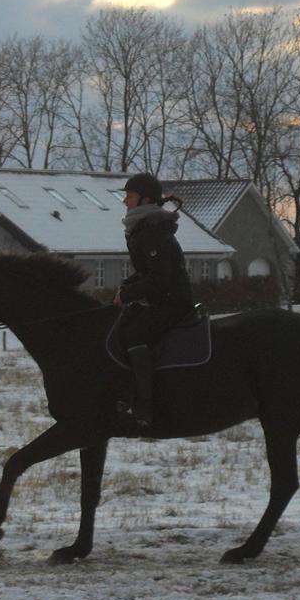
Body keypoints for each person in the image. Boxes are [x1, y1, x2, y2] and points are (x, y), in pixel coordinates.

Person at [113, 172, 196, 432]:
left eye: (130, 196)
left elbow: (160, 280)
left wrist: (127, 295)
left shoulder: (152, 232)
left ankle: (145, 406)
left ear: (145, 199)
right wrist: (127, 286)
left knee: (136, 335)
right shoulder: (143, 228)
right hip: (160, 299)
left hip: (173, 302)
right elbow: (147, 272)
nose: (125, 201)